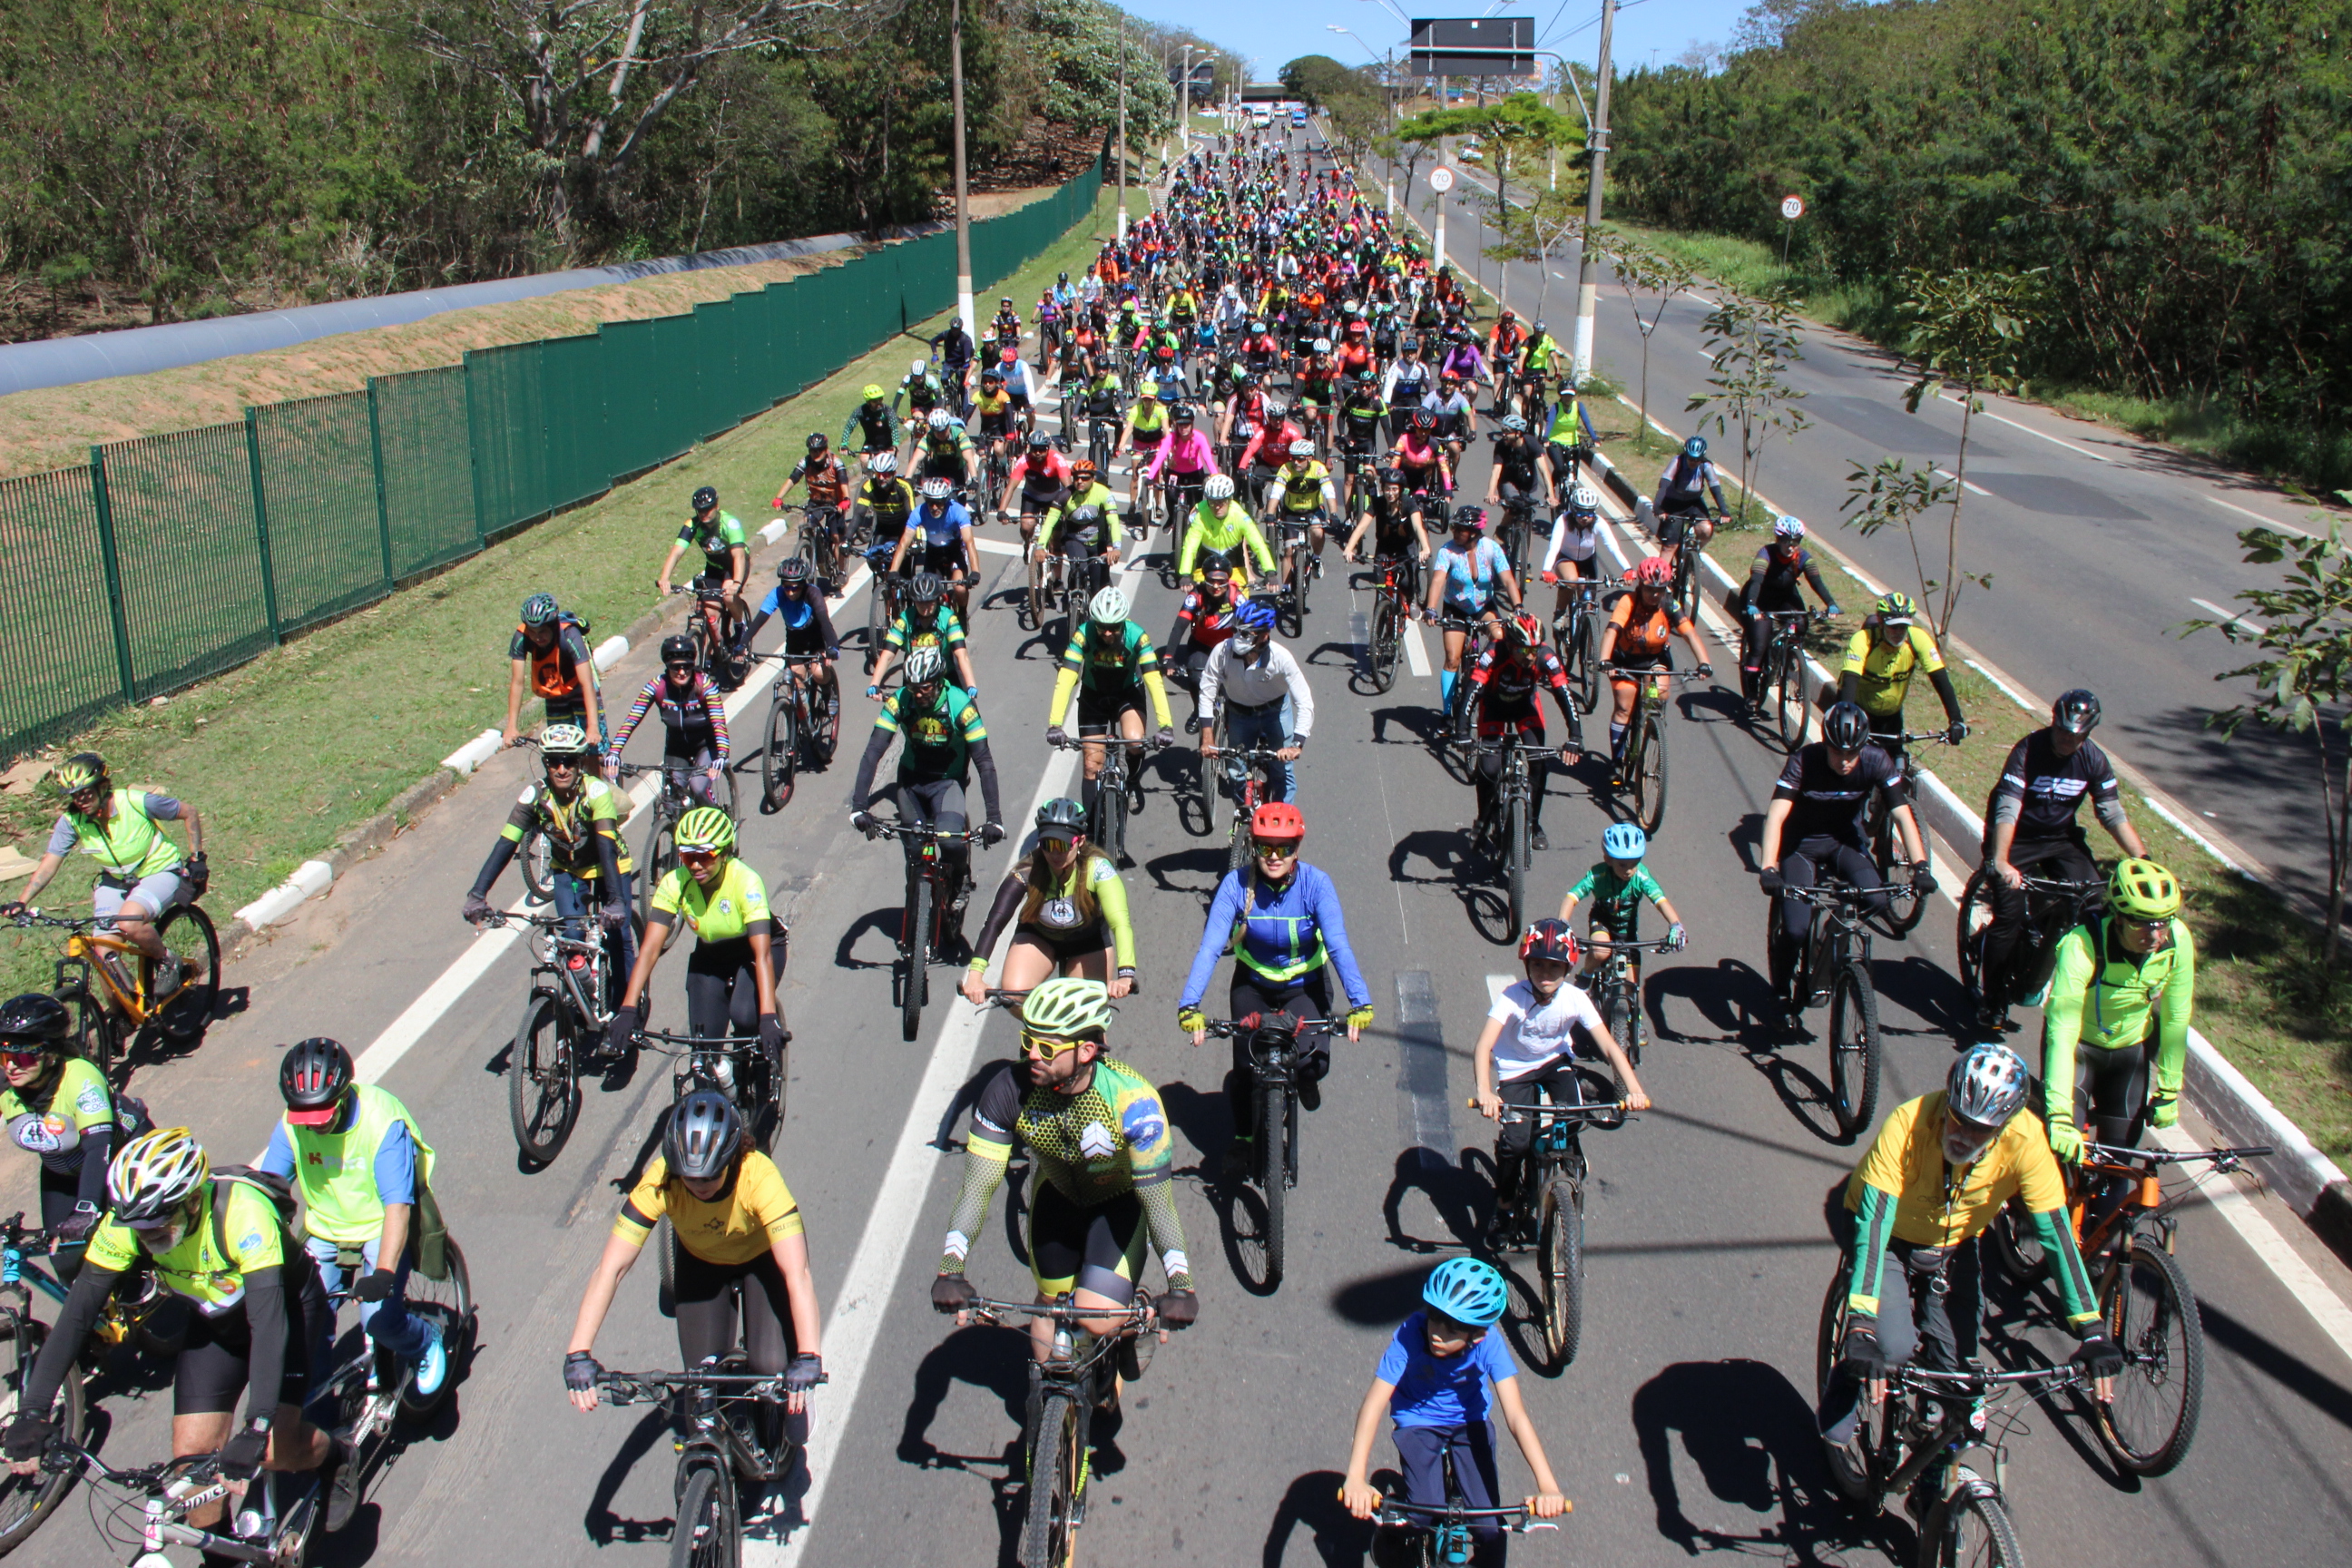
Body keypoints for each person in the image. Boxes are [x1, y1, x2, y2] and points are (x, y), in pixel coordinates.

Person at [2, 1127, 359, 1535]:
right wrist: (33, 1410)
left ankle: (335, 1457)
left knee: (276, 1448)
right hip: (215, 1324)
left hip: (286, 1313)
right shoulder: (127, 1224)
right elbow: (77, 1317)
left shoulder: (243, 1214)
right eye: (138, 1229)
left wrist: (257, 1426)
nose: (147, 1239)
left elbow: (268, 1322)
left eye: (157, 1226)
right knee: (191, 1468)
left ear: (192, 1201)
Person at [1818, 1044, 2117, 1488]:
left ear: (2006, 1124)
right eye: (1958, 1118)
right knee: (1894, 1348)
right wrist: (1861, 1326)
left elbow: (2056, 1233)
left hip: (1953, 1243)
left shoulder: (2026, 1142)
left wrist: (2091, 1328)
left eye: (1980, 1130)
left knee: (1960, 1374)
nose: (1962, 1134)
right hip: (1884, 1234)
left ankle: (1934, 1472)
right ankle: (1847, 1370)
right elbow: (1875, 1225)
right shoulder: (1908, 1123)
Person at [929, 977, 1199, 1357]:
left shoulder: (1133, 1102)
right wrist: (950, 1269)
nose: (1032, 1056)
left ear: (1087, 1050)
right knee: (1047, 1334)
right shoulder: (1008, 1091)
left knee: (1097, 1318)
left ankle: (1127, 1324)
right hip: (1056, 1198)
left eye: (1045, 1047)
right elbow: (977, 1187)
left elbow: (1158, 1204)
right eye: (1028, 1041)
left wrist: (1180, 1286)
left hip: (1118, 1205)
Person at [565, 1091, 823, 1477]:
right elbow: (611, 1269)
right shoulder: (661, 1181)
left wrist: (808, 1358)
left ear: (732, 1160)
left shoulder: (759, 1177)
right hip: (702, 1264)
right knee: (699, 1388)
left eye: (709, 1176)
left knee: (769, 1367)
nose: (698, 1185)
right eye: (689, 1177)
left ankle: (786, 1401)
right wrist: (578, 1352)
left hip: (763, 1261)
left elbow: (797, 1274)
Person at [1176, 803, 1372, 1174]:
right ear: (1254, 846)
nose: (1274, 856)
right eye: (1265, 847)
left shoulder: (1317, 884)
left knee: (1312, 1065)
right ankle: (1245, 1139)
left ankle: (1306, 1079)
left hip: (1306, 987)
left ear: (1297, 848)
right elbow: (1210, 947)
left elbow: (1338, 946)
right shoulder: (1235, 885)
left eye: (1284, 848)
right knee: (1246, 1066)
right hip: (1253, 986)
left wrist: (1360, 1002)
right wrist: (1190, 1005)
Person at [1338, 1258, 1570, 1563]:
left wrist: (1548, 1486)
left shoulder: (1490, 1345)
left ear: (1477, 1335)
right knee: (1423, 1518)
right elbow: (1374, 1403)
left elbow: (1516, 1417)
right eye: (1435, 1317)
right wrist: (1356, 1476)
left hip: (1469, 1422)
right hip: (1418, 1421)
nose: (1437, 1332)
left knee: (1488, 1529)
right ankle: (1391, 1528)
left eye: (1453, 1328)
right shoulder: (1411, 1334)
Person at [262, 1038, 446, 1403]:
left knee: (379, 1320)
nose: (312, 1128)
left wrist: (383, 1274)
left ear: (343, 1095)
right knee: (303, 1324)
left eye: (322, 1117)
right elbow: (266, 1193)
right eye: (305, 1119)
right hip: (325, 1229)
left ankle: (425, 1341)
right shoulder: (291, 1124)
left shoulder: (382, 1123)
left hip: (379, 1226)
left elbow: (397, 1206)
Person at [2039, 858, 2192, 1240]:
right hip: (2079, 1049)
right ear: (2119, 916)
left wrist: (2170, 1087)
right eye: (2142, 921)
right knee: (2064, 1153)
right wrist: (2059, 1114)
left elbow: (2175, 1019)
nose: (2155, 934)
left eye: (2164, 921)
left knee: (2117, 1164)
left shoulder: (2178, 941)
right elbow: (2062, 1029)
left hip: (2130, 1052)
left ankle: (2099, 1255)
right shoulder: (2081, 944)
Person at [1471, 922, 1651, 1243]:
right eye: (1537, 964)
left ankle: (1570, 1154)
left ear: (1568, 967)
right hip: (1515, 1070)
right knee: (1516, 1144)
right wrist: (1485, 1091)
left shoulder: (1575, 998)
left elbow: (1610, 1046)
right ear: (1526, 964)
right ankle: (1505, 1206)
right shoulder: (1512, 998)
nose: (1545, 973)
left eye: (1554, 966)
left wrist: (1634, 1089)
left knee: (1574, 1116)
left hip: (1554, 1062)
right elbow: (1484, 1046)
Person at [1756, 702, 1929, 1032]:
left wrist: (1920, 866)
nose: (1846, 761)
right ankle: (1781, 991)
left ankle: (1827, 941)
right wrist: (1768, 868)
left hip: (1844, 842)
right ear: (1825, 744)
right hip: (1801, 847)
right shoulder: (1803, 762)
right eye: (1838, 753)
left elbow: (1902, 815)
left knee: (1878, 900)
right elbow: (1776, 815)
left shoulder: (1877, 760)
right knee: (1794, 929)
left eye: (1853, 753)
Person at [1978, 690, 2146, 1028]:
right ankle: (1992, 1000)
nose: (2067, 740)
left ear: (2088, 733)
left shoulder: (2094, 760)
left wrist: (2142, 858)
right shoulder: (2028, 751)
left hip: (2059, 839)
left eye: (2076, 735)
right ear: (2053, 723)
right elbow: (2007, 809)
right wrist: (2001, 861)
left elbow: (2111, 813)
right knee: (2008, 919)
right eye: (2062, 731)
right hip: (2015, 839)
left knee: (2095, 899)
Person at [606, 808, 789, 1090]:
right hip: (712, 956)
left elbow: (763, 955)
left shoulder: (745, 881)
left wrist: (767, 1019)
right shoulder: (674, 883)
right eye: (688, 856)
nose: (695, 866)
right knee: (703, 1052)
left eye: (705, 856)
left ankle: (761, 1073)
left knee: (744, 1014)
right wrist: (628, 1008)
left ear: (726, 853)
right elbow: (650, 949)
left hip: (754, 953)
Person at [848, 645, 1007, 950]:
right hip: (911, 784)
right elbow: (873, 752)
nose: (917, 695)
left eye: (924, 689)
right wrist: (859, 808)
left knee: (949, 842)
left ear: (939, 682)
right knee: (914, 847)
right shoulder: (900, 701)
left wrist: (994, 819)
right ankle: (917, 907)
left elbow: (984, 763)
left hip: (947, 783)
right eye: (912, 688)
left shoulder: (962, 705)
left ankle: (958, 882)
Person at [5, 753, 205, 989]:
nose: (81, 800)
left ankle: (168, 961)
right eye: (74, 796)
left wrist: (197, 859)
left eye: (86, 792)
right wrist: (22, 901)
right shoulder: (72, 821)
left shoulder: (134, 801)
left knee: (129, 924)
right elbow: (50, 862)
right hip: (116, 882)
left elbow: (189, 812)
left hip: (158, 871)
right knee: (103, 957)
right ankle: (123, 1015)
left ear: (102, 786)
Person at [461, 722, 637, 991]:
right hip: (569, 870)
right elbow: (506, 844)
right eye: (554, 762)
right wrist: (477, 894)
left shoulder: (596, 792)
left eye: (568, 761)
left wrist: (614, 901)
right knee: (572, 939)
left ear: (579, 764)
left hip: (609, 866)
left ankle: (628, 1010)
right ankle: (582, 1012)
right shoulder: (536, 795)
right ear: (546, 764)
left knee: (618, 936)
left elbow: (606, 846)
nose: (562, 769)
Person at [0, 992, 149, 1279]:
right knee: (67, 1265)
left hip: (121, 1159)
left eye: (22, 1055)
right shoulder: (7, 1082)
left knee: (128, 1251)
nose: (11, 1066)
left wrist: (87, 1208)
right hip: (62, 1172)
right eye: (4, 1054)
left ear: (51, 1054)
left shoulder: (80, 1077)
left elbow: (97, 1150)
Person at [959, 799, 1138, 1006]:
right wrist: (975, 975)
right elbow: (994, 923)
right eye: (1047, 845)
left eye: (1062, 845)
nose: (1054, 854)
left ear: (1080, 841)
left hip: (1088, 943)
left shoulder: (1098, 869)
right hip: (1039, 938)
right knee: (1014, 997)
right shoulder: (1028, 869)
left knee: (1087, 1014)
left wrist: (1126, 974)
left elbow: (1120, 923)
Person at [1046, 587, 1177, 824]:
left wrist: (1166, 725)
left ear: (1123, 623)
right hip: (1093, 697)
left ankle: (1133, 779)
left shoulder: (1137, 636)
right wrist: (1055, 723)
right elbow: (1066, 677)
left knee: (1135, 742)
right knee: (1091, 765)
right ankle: (1091, 827)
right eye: (1101, 627)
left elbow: (1154, 681)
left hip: (1128, 695)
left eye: (1114, 627)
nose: (1107, 633)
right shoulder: (1083, 634)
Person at [1464, 612, 1581, 851]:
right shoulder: (1494, 652)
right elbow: (1472, 691)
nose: (1531, 656)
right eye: (1524, 650)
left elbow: (1564, 695)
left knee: (1538, 763)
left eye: (1535, 649)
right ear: (1509, 645)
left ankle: (1534, 824)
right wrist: (1462, 730)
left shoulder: (1546, 656)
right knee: (1489, 768)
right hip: (1493, 707)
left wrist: (1575, 736)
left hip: (1525, 708)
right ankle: (1483, 818)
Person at [1595, 554, 1712, 774]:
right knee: (1624, 706)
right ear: (1641, 585)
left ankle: (1651, 723)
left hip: (1655, 660)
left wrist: (1703, 662)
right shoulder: (1628, 602)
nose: (1655, 594)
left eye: (1660, 589)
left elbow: (1690, 634)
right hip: (1624, 661)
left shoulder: (1670, 603)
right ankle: (1617, 760)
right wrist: (1605, 660)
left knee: (1658, 694)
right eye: (1650, 589)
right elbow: (1612, 631)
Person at [1197, 599, 1312, 803]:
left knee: (1282, 772)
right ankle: (1242, 818)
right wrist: (1207, 737)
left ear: (1264, 635)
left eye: (1246, 633)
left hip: (1275, 712)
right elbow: (1207, 692)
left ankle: (1283, 828)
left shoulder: (1281, 658)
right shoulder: (1221, 652)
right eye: (1236, 631)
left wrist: (1296, 744)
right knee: (1236, 773)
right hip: (1240, 715)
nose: (1237, 638)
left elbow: (1304, 702)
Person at [1838, 592, 1968, 766]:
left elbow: (1941, 681)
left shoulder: (1918, 638)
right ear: (1881, 621)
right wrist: (1847, 721)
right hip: (1857, 710)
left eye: (1903, 626)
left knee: (1898, 766)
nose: (1899, 632)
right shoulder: (1863, 640)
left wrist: (1956, 720)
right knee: (1844, 763)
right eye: (1893, 626)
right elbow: (1849, 681)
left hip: (1892, 716)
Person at [608, 634, 730, 808]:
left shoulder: (706, 686)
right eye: (676, 668)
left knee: (697, 787)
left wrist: (723, 754)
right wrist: (614, 752)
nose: (682, 672)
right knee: (671, 803)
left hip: (706, 745)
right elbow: (632, 719)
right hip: (677, 747)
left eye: (687, 667)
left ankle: (719, 817)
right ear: (667, 667)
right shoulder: (655, 686)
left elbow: (719, 722)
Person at [1421, 505, 1518, 723]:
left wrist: (1518, 606)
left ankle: (1495, 685)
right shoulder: (1448, 551)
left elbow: (1508, 579)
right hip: (1456, 608)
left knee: (1501, 639)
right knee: (1452, 659)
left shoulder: (1491, 548)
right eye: (1454, 528)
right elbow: (1437, 580)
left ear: (1473, 532)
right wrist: (1431, 608)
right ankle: (1447, 713)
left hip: (1484, 606)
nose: (1454, 532)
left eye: (1459, 529)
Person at [1558, 821, 1688, 985]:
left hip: (1627, 929)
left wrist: (1675, 925)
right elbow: (1572, 897)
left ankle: (1632, 1010)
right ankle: (1586, 974)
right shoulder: (1598, 874)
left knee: (1632, 985)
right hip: (1602, 921)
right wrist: (1563, 923)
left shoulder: (1641, 877)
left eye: (1635, 863)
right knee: (1600, 952)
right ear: (1608, 859)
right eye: (1622, 864)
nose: (1629, 870)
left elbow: (1661, 902)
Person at [1731, 515, 1843, 702]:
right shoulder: (1765, 553)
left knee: (1801, 622)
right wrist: (1751, 605)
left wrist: (1831, 603)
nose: (1790, 546)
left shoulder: (1804, 557)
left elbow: (1816, 581)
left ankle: (1790, 652)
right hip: (1759, 599)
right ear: (1777, 539)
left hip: (1785, 597)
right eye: (1785, 541)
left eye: (1795, 542)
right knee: (1758, 646)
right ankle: (1752, 689)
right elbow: (1756, 580)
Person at [734, 555, 844, 715]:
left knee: (819, 673)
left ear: (803, 584)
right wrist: (742, 644)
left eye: (795, 588)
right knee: (797, 681)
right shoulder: (777, 594)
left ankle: (828, 693)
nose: (791, 592)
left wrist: (833, 646)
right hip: (795, 641)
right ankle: (802, 721)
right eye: (787, 587)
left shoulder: (813, 593)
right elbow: (758, 621)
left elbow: (825, 622)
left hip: (816, 639)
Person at [501, 591, 606, 757]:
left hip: (580, 686)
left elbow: (587, 683)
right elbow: (517, 682)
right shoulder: (521, 637)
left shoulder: (570, 634)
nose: (537, 637)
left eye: (542, 631)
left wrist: (592, 726)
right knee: (558, 748)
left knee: (592, 748)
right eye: (532, 631)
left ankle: (596, 775)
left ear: (552, 626)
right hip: (554, 688)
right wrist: (511, 726)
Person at [661, 486, 752, 651]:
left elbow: (738, 556)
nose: (703, 513)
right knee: (711, 614)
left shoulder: (729, 523)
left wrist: (736, 583)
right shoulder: (692, 525)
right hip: (714, 567)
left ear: (716, 506)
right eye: (699, 510)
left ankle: (740, 626)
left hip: (735, 565)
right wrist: (664, 578)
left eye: (707, 509)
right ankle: (717, 649)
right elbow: (676, 553)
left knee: (729, 597)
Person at [867, 570, 977, 699]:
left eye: (930, 602)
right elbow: (887, 655)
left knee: (968, 713)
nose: (925, 607)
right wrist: (874, 684)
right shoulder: (904, 619)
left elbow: (961, 655)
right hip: (913, 682)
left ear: (937, 599)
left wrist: (971, 685)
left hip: (945, 677)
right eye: (920, 602)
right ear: (913, 601)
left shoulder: (948, 618)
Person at [1164, 556, 1247, 720]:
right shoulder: (1195, 596)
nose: (1216, 586)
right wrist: (1169, 656)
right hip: (1201, 645)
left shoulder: (1235, 596)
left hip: (1228, 646)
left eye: (1221, 581)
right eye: (1211, 581)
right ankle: (1198, 711)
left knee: (1236, 687)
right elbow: (1179, 626)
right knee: (1196, 679)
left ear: (1228, 580)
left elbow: (1251, 624)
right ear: (1205, 579)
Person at [890, 477, 979, 619]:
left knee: (959, 588)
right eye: (930, 503)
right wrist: (893, 571)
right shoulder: (919, 512)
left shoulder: (958, 511)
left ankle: (962, 612)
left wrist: (975, 572)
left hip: (955, 552)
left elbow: (969, 543)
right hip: (933, 553)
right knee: (928, 594)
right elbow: (904, 542)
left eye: (938, 503)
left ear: (946, 499)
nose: (934, 507)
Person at [1036, 458, 1122, 598]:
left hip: (1098, 543)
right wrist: (1040, 546)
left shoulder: (1104, 493)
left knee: (1098, 589)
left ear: (1093, 479)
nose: (1080, 481)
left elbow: (1113, 522)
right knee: (1078, 571)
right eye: (1076, 478)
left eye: (1085, 478)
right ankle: (1071, 596)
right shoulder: (1064, 496)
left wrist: (1116, 547)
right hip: (1075, 541)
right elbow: (1050, 522)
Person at [1176, 473, 1276, 588]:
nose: (1216, 506)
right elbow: (1190, 547)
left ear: (1229, 500)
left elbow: (1258, 544)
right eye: (1212, 502)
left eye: (1221, 502)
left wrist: (1270, 572)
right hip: (1205, 570)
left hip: (1235, 570)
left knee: (1241, 603)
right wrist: (1185, 574)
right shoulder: (1201, 516)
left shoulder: (1240, 516)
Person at [1263, 438, 1336, 587]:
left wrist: (1334, 513)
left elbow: (1329, 492)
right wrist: (1270, 513)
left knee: (1317, 532)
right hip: (1291, 512)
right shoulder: (1286, 469)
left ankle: (1316, 558)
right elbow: (1276, 492)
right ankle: (1285, 588)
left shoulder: (1318, 469)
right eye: (1293, 458)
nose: (1296, 462)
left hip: (1313, 510)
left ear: (1309, 458)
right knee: (1289, 550)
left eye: (1300, 459)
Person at [773, 431, 851, 564]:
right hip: (816, 502)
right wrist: (779, 497)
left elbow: (843, 481)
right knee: (807, 523)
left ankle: (840, 569)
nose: (815, 454)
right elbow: (793, 478)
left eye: (819, 450)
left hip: (835, 503)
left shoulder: (835, 462)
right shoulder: (806, 462)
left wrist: (846, 499)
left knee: (836, 537)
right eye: (812, 451)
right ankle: (812, 548)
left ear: (826, 450)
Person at [1651, 436, 1728, 556]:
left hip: (1693, 502)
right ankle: (1663, 574)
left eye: (1697, 459)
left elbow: (1715, 489)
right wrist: (1657, 507)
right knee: (1670, 546)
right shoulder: (1677, 462)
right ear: (1686, 455)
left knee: (1706, 530)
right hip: (1673, 503)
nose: (1693, 462)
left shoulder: (1706, 466)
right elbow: (1664, 485)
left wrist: (1724, 511)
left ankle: (1692, 557)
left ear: (1702, 458)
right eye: (1690, 458)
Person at [1001, 428, 1073, 554]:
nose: (1038, 453)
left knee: (1055, 540)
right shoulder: (1024, 461)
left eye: (1042, 449)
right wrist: (1002, 511)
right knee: (1026, 526)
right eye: (1034, 449)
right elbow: (1011, 487)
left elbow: (1069, 488)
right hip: (1032, 497)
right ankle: (1027, 542)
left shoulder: (1057, 460)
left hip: (1054, 498)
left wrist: (1072, 510)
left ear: (1048, 448)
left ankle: (1055, 573)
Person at [854, 450, 917, 569]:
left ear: (894, 473)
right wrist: (846, 539)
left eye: (886, 474)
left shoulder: (903, 487)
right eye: (878, 474)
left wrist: (916, 541)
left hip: (903, 529)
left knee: (904, 569)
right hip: (883, 530)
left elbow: (912, 516)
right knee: (872, 561)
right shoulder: (868, 486)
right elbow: (859, 514)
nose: (882, 478)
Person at [841, 383, 898, 463]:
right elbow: (849, 427)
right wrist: (844, 444)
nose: (879, 403)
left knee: (886, 466)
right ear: (868, 402)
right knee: (864, 461)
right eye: (875, 401)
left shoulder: (888, 411)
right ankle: (867, 475)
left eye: (880, 399)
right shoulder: (860, 411)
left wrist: (895, 445)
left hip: (888, 445)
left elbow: (894, 428)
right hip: (871, 443)